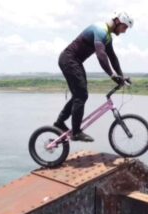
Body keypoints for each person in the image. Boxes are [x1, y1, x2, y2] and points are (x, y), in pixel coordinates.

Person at [53, 12, 133, 142]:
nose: (124, 32)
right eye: (124, 28)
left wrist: (121, 77)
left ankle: (59, 123)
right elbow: (101, 55)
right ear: (118, 22)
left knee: (79, 95)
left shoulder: (107, 37)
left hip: (74, 61)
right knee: (81, 95)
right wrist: (112, 75)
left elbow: (112, 57)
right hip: (69, 59)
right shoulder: (100, 30)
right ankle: (76, 132)